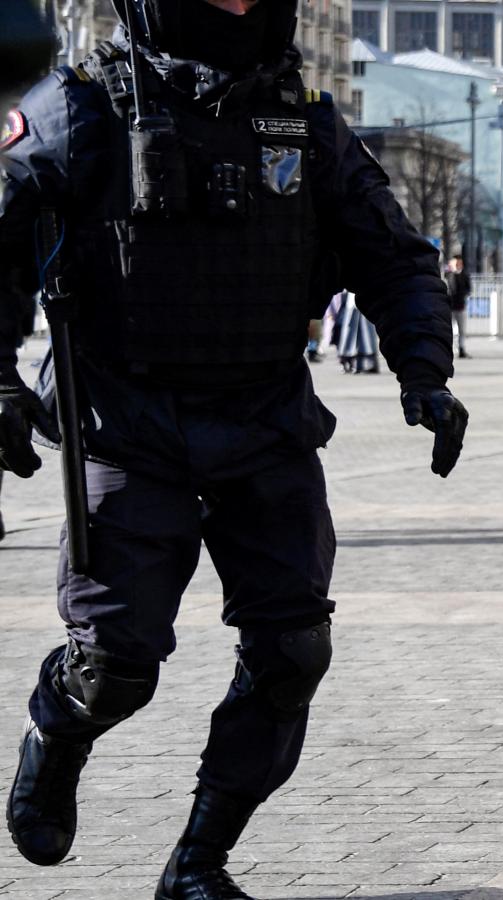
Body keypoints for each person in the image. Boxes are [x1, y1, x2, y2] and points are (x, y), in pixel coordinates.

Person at [0, 1, 470, 897]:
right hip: (125, 423)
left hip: (265, 424)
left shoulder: (301, 119)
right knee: (115, 668)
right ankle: (56, 735)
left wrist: (425, 372)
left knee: (292, 652)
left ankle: (198, 865)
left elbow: (395, 257)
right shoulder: (81, 105)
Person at [443, 252, 472, 359]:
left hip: (460, 306)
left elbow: (468, 289)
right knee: (448, 329)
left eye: (459, 262)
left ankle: (461, 349)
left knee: (461, 330)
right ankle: (448, 349)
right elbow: (448, 288)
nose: (457, 264)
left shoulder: (464, 275)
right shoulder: (448, 275)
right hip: (449, 307)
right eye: (455, 262)